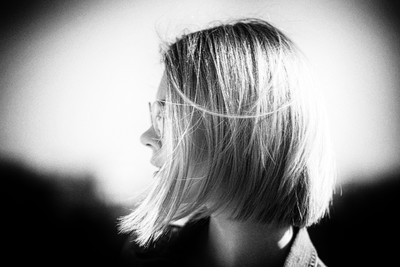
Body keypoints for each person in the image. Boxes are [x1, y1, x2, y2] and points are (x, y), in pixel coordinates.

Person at [119, 18, 336, 267]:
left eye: (166, 116)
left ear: (241, 132)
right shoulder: (139, 258)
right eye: (155, 114)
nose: (146, 137)